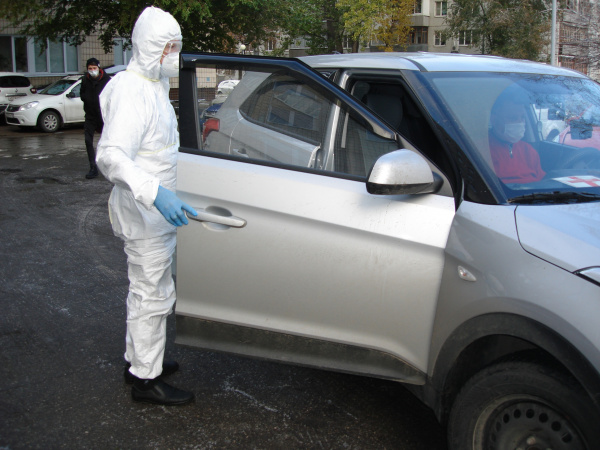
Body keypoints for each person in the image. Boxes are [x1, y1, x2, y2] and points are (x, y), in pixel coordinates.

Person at [96, 6, 197, 406]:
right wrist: (156, 193)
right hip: (144, 212)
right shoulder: (131, 90)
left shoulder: (154, 84)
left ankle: (139, 360)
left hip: (159, 213)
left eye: (177, 46)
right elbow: (111, 157)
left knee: (148, 289)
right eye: (169, 47)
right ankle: (145, 379)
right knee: (151, 294)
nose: (174, 55)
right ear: (150, 47)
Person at [489, 88, 546, 184]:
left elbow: (542, 183)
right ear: (494, 120)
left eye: (522, 117)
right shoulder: (481, 151)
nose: (519, 123)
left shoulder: (529, 151)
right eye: (513, 118)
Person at [80, 58, 111, 179]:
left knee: (107, 142)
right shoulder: (85, 80)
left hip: (103, 116)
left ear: (99, 68)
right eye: (90, 68)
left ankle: (109, 165)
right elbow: (82, 94)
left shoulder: (106, 80)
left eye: (94, 68)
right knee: (88, 141)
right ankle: (93, 167)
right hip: (90, 116)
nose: (92, 70)